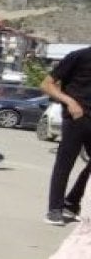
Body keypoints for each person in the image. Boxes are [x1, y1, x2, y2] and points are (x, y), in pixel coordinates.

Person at [42, 46, 91, 226]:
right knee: (65, 163)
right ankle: (54, 209)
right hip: (76, 117)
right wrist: (70, 102)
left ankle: (71, 203)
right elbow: (46, 84)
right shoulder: (78, 56)